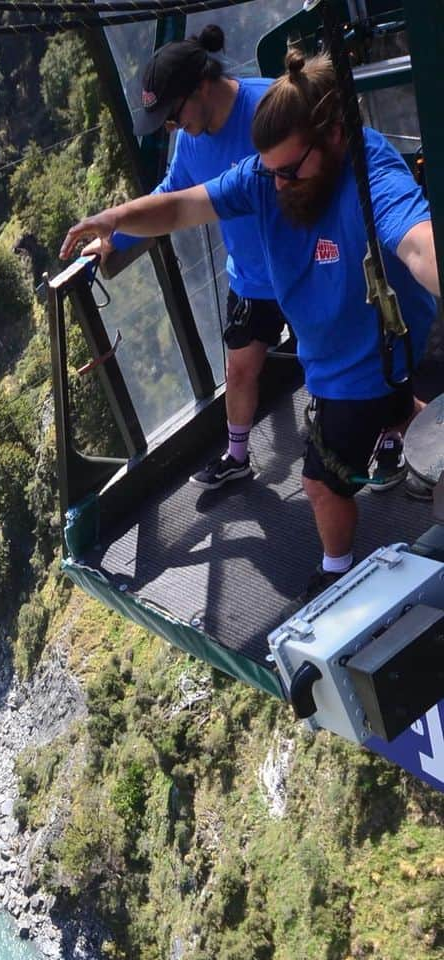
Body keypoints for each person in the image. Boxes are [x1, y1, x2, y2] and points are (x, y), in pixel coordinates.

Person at [60, 48, 440, 601]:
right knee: (395, 415)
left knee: (318, 480)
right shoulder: (263, 176)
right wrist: (113, 222)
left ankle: (337, 573)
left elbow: (417, 244)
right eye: (272, 172)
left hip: (364, 358)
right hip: (334, 348)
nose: (281, 185)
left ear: (332, 135)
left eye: (291, 170)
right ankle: (410, 439)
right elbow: (179, 207)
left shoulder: (366, 170)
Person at [91, 24, 287, 491]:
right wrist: (114, 238)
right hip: (251, 277)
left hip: (300, 265)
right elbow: (172, 192)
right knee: (239, 368)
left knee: (330, 359)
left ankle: (381, 432)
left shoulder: (268, 107)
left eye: (173, 115)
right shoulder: (192, 140)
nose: (174, 128)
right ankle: (237, 454)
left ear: (201, 86)